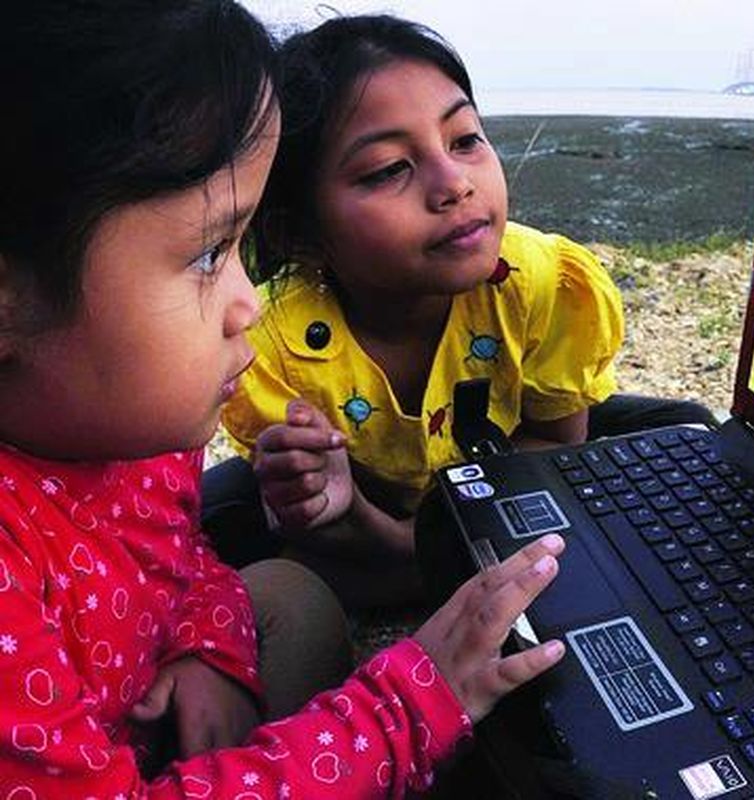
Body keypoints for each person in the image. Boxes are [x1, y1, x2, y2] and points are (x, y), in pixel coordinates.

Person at [0, 2, 565, 796]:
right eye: (206, 255)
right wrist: (415, 701)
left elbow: (178, 557)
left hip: (144, 693)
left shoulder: (135, 430)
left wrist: (209, 647)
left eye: (466, 137)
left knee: (288, 599)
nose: (251, 304)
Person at [215, 14, 715, 607]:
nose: (454, 183)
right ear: (297, 232)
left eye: (465, 140)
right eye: (388, 169)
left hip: (501, 471)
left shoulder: (544, 283)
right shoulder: (269, 348)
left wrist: (408, 549)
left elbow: (554, 446)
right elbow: (320, 522)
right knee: (241, 535)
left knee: (691, 431)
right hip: (368, 511)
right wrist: (324, 504)